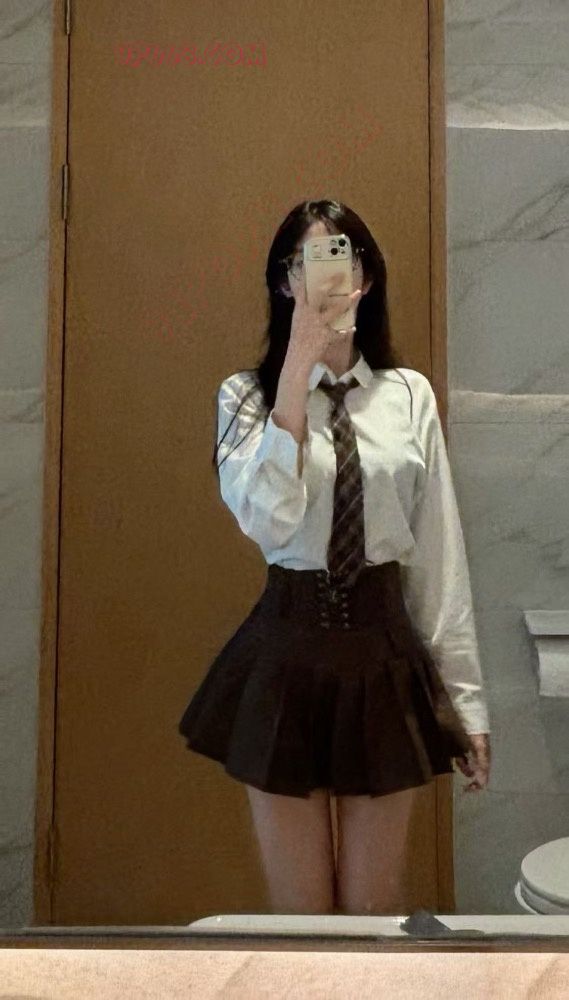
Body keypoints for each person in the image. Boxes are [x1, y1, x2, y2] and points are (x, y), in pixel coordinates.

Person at [178, 199, 492, 916]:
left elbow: (438, 555)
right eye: (305, 260)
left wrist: (465, 702)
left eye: (340, 256)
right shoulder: (244, 399)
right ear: (284, 281)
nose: (324, 275)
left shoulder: (407, 396)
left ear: (365, 278)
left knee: (373, 912)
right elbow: (267, 519)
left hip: (384, 654)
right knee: (301, 916)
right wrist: (295, 370)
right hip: (285, 654)